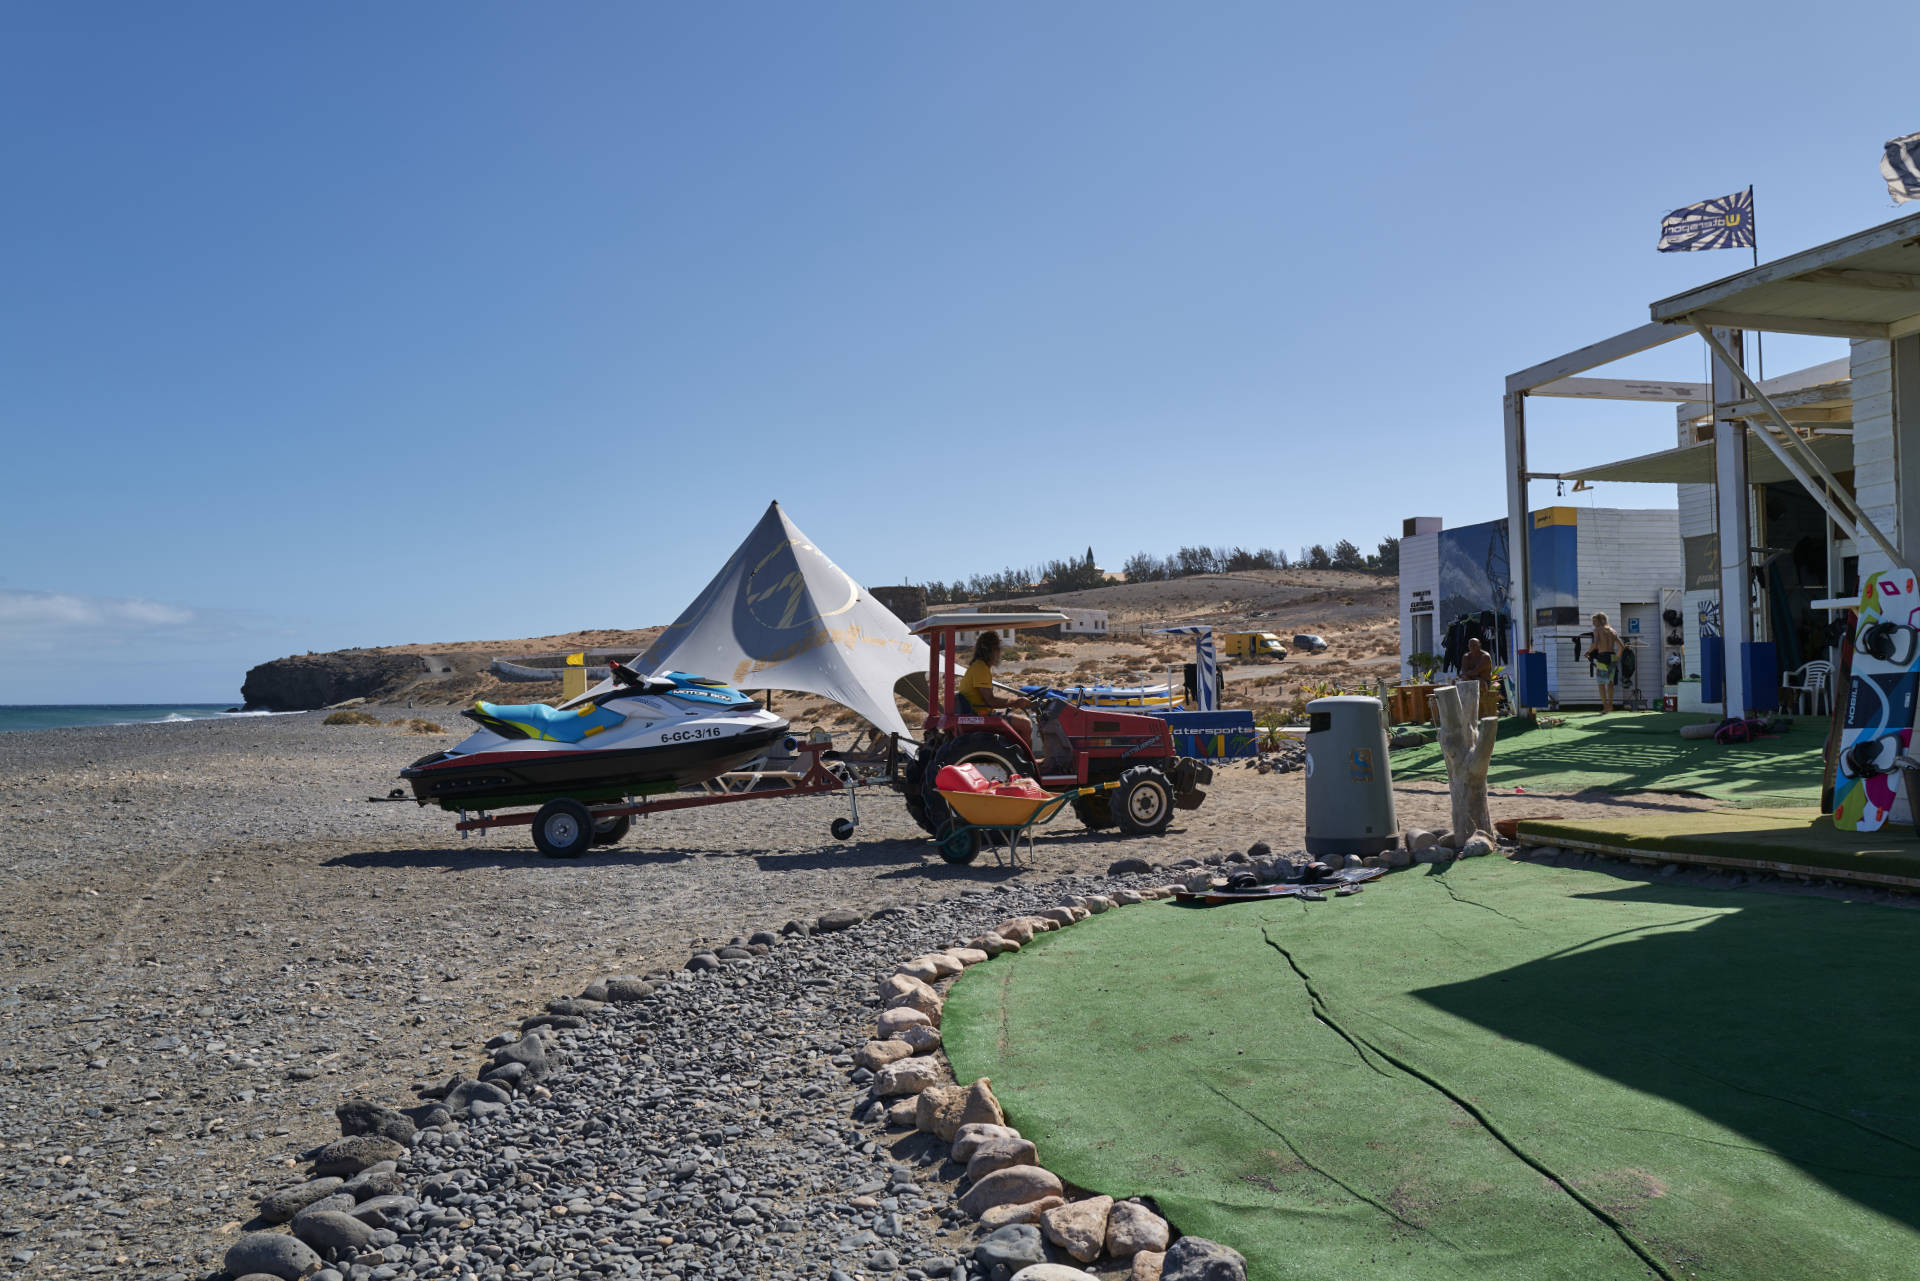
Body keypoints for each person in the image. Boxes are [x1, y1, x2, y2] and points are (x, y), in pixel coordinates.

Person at [956, 630, 1032, 741]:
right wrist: (1015, 702)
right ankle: (1026, 758)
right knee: (1025, 724)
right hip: (981, 716)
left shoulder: (978, 666)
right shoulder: (980, 668)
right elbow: (990, 701)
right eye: (998, 649)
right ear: (992, 651)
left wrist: (1014, 702)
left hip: (979, 712)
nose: (1000, 653)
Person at [1590, 611, 1622, 714]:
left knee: (1601, 683)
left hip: (1602, 657)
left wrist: (1587, 652)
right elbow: (1622, 646)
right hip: (1612, 657)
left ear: (1599, 621)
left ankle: (1605, 706)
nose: (1593, 623)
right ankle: (1611, 705)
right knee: (1610, 683)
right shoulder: (1612, 631)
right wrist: (1616, 658)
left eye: (1594, 621)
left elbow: (1595, 644)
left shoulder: (1597, 630)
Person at [1457, 637, 1498, 716]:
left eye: (1474, 645)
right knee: (1456, 682)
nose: (1472, 647)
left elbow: (1476, 671)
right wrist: (1471, 676)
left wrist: (1469, 675)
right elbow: (1465, 672)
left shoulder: (1485, 656)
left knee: (1480, 682)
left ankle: (1483, 711)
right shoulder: (1466, 656)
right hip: (1470, 680)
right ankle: (1461, 710)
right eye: (1470, 645)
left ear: (1479, 645)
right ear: (1468, 646)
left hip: (1484, 682)